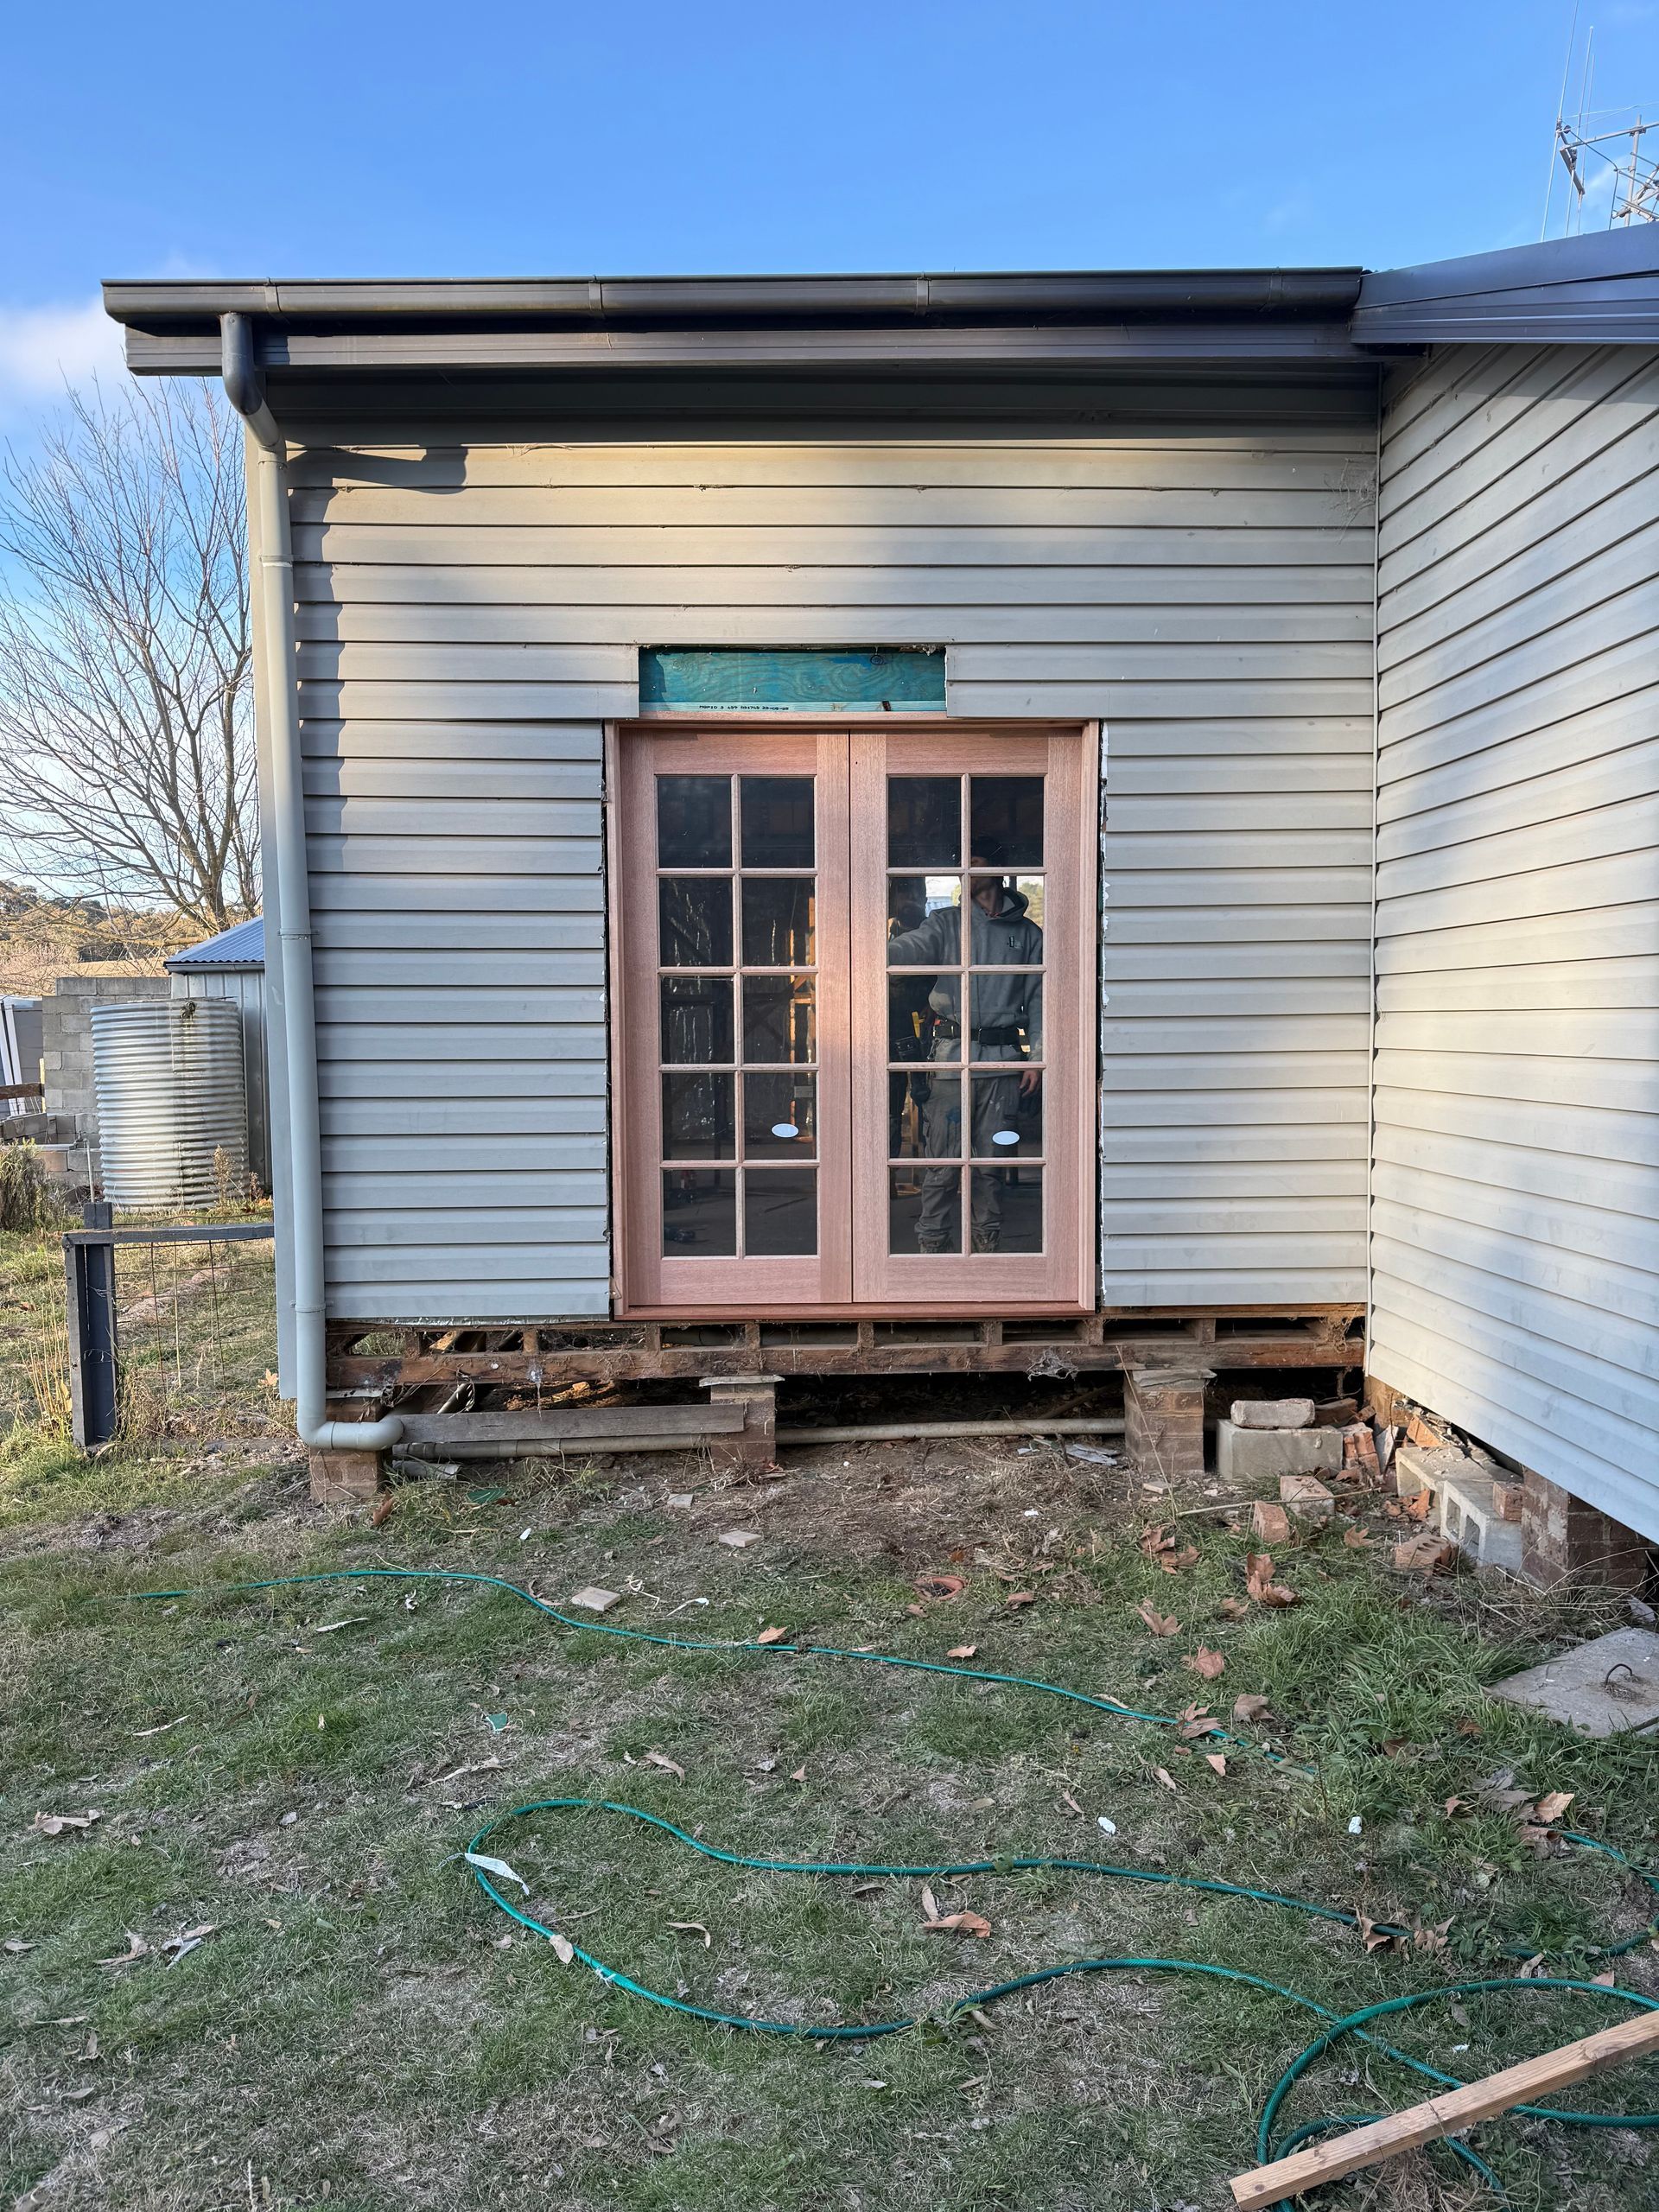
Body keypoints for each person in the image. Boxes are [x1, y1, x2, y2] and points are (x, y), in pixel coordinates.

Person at [886, 843, 1042, 1252]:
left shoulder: (1027, 936)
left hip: (1003, 1060)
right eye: (961, 866)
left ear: (998, 870)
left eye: (974, 864)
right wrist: (862, 952)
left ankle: (986, 1249)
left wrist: (1037, 1057)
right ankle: (932, 1249)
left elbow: (1041, 999)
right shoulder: (946, 925)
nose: (965, 872)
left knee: (989, 1166)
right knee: (942, 1164)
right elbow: (910, 949)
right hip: (951, 1059)